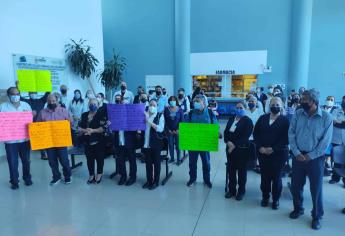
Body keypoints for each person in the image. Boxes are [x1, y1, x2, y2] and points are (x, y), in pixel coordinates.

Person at [288, 89, 333, 230]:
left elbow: (325, 142)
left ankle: (317, 216)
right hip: (297, 156)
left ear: (314, 101)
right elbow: (291, 133)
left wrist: (311, 155)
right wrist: (296, 152)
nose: (301, 102)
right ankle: (298, 208)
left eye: (305, 100)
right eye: (302, 99)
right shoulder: (298, 114)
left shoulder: (326, 117)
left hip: (316, 159)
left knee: (316, 188)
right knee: (296, 185)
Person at [253, 97, 289, 209]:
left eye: (278, 104)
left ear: (282, 106)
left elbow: (286, 138)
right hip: (262, 153)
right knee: (265, 177)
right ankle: (265, 196)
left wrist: (273, 149)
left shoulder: (285, 120)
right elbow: (256, 134)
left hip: (278, 154)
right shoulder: (262, 118)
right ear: (269, 106)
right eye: (273, 104)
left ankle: (276, 199)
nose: (275, 106)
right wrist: (260, 147)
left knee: (277, 177)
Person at [0, 87, 33, 190]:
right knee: (12, 162)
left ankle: (27, 178)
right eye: (13, 94)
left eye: (17, 94)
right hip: (10, 141)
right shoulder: (3, 107)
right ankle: (14, 181)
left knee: (26, 161)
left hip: (25, 140)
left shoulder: (26, 105)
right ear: (8, 95)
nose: (16, 96)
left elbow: (31, 122)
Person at [37, 94, 73, 185]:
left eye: (53, 101)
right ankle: (56, 177)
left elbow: (71, 124)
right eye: (49, 101)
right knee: (52, 161)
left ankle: (67, 176)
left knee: (64, 160)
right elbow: (38, 126)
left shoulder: (64, 111)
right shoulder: (42, 112)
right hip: (49, 142)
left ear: (57, 101)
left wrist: (69, 123)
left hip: (61, 141)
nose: (51, 103)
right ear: (47, 102)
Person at [224, 101, 253, 200]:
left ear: (245, 109)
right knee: (231, 170)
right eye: (237, 108)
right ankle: (231, 190)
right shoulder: (232, 118)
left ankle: (241, 191)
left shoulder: (248, 121)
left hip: (241, 150)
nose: (238, 109)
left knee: (241, 171)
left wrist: (234, 145)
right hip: (229, 149)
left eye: (241, 108)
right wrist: (227, 142)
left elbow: (245, 136)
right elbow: (226, 132)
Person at [187, 95, 217, 188]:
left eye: (198, 102)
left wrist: (217, 132)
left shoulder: (210, 113)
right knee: (192, 162)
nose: (196, 103)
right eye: (195, 102)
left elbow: (215, 124)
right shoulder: (191, 113)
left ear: (204, 103)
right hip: (193, 141)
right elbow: (186, 125)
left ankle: (207, 180)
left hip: (205, 142)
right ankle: (192, 179)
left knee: (206, 162)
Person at [78, 98, 107, 184]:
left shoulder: (101, 115)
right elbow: (79, 127)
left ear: (98, 105)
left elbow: (103, 128)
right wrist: (85, 130)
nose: (92, 105)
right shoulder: (84, 115)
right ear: (88, 105)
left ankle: (99, 174)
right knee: (89, 159)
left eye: (94, 104)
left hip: (99, 140)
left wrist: (92, 131)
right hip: (87, 141)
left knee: (99, 158)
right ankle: (91, 174)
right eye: (91, 104)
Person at [112, 94, 138, 186]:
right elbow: (113, 129)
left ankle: (132, 177)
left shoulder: (132, 116)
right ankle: (123, 176)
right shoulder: (115, 114)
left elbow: (135, 128)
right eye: (121, 105)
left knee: (132, 159)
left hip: (129, 141)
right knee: (120, 160)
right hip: (118, 140)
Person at [142, 99, 165, 190]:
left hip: (156, 144)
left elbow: (160, 129)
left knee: (156, 163)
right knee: (148, 163)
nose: (152, 107)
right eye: (150, 105)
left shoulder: (159, 116)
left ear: (157, 107)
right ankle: (149, 181)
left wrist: (149, 121)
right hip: (146, 143)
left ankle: (156, 181)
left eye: (154, 105)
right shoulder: (144, 115)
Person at [20, 91, 50, 160]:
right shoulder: (26, 101)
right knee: (27, 141)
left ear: (37, 94)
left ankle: (43, 154)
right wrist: (17, 86)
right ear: (29, 94)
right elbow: (20, 98)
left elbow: (47, 94)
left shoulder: (41, 101)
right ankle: (26, 157)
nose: (33, 94)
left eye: (35, 93)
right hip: (28, 123)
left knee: (41, 139)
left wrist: (48, 84)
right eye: (31, 93)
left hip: (39, 123)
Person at [329, 96, 345, 186]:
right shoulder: (336, 110)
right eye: (344, 100)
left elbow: (338, 123)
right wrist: (342, 123)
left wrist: (340, 123)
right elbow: (334, 121)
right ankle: (335, 178)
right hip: (336, 139)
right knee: (336, 159)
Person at [246, 95, 264, 172]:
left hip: (257, 135)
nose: (251, 102)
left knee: (257, 151)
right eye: (249, 101)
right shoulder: (245, 111)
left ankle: (257, 165)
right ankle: (248, 165)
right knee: (247, 151)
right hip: (246, 135)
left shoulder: (260, 112)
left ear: (256, 103)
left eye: (252, 101)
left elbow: (263, 124)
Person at [164, 96, 184, 164]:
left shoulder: (180, 109)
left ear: (176, 101)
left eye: (174, 100)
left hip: (177, 131)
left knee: (178, 146)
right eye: (171, 100)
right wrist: (168, 129)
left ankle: (178, 159)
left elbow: (182, 121)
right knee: (170, 145)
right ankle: (172, 158)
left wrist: (178, 129)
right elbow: (165, 121)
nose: (172, 101)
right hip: (169, 131)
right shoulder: (166, 109)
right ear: (169, 102)